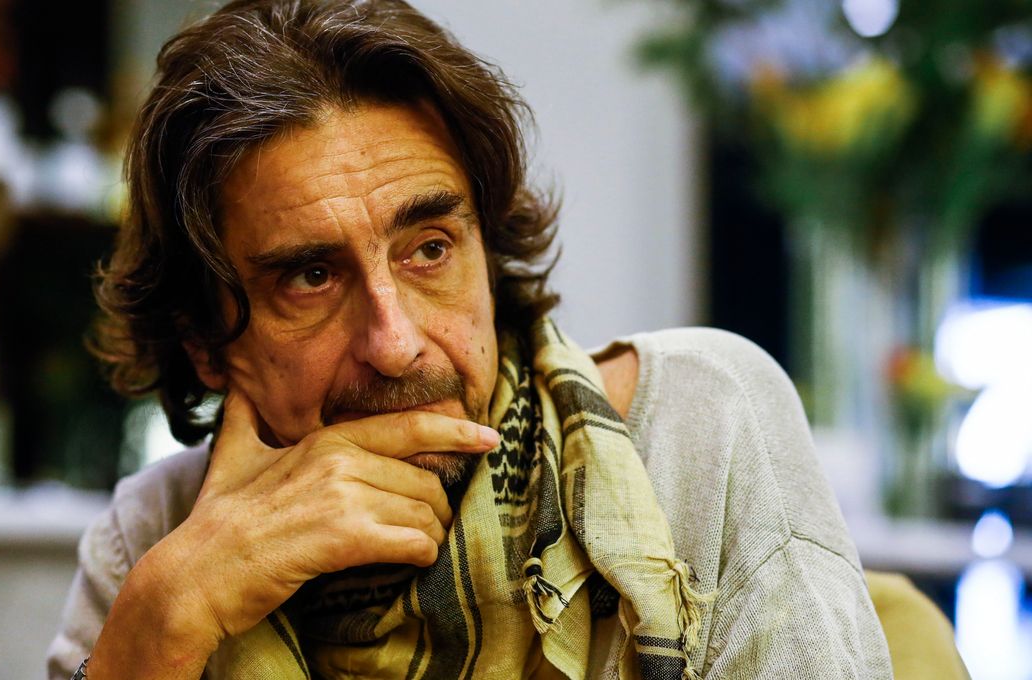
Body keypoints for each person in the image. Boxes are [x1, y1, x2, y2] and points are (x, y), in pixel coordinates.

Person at [48, 1, 893, 678]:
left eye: (429, 250)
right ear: (205, 344)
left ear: (488, 252)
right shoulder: (160, 538)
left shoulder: (697, 427)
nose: (395, 343)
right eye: (311, 276)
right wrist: (162, 623)